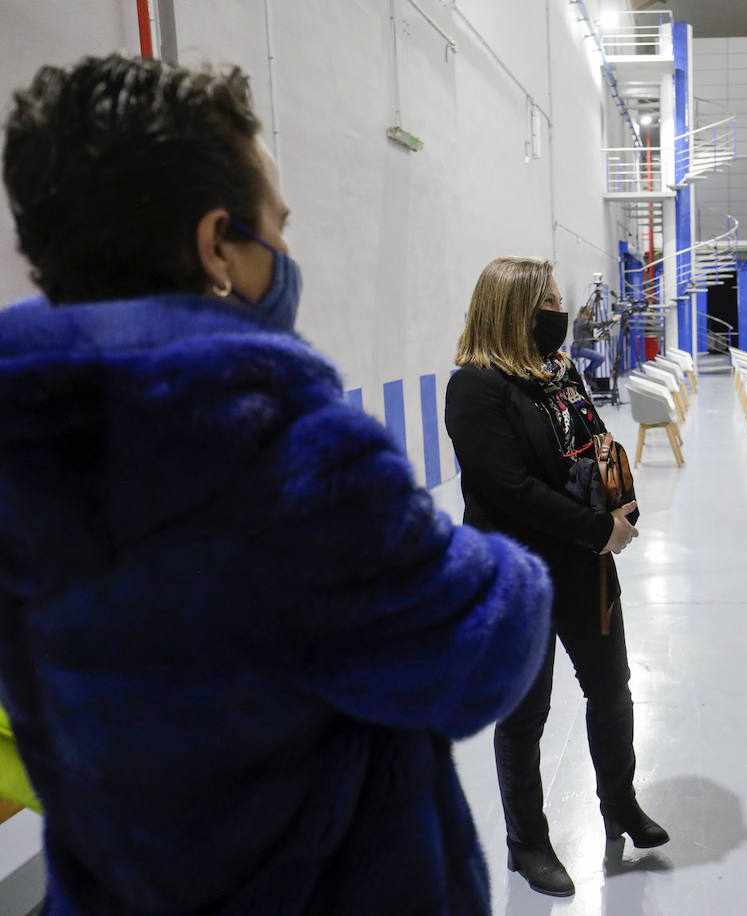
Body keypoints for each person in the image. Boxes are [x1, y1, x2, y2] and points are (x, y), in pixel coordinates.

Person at [0, 54, 551, 915]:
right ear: (218, 245)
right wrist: (506, 563)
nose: (287, 251)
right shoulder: (287, 463)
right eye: (277, 226)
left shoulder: (20, 455)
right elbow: (484, 652)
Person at [446, 257, 667, 899]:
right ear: (515, 309)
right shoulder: (477, 388)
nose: (560, 305)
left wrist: (619, 500)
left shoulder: (558, 372)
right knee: (525, 713)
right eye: (548, 297)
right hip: (520, 575)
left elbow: (594, 444)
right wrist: (598, 530)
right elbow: (510, 491)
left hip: (584, 568)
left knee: (612, 689)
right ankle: (527, 843)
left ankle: (619, 803)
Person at [571, 303, 617, 377]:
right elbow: (598, 325)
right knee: (600, 358)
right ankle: (588, 373)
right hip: (579, 349)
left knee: (598, 358)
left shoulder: (579, 321)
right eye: (592, 315)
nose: (593, 317)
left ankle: (589, 375)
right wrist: (612, 320)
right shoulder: (582, 321)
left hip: (580, 348)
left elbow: (584, 338)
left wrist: (599, 338)